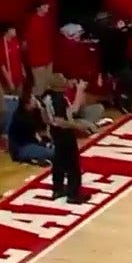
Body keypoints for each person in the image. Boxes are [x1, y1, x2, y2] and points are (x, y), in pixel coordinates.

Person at [40, 74, 86, 203]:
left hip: (54, 133)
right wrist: (76, 126)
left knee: (58, 162)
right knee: (73, 165)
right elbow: (62, 119)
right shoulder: (59, 99)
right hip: (64, 133)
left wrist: (49, 125)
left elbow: (44, 115)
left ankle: (57, 189)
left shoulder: (46, 96)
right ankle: (73, 195)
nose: (66, 80)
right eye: (63, 80)